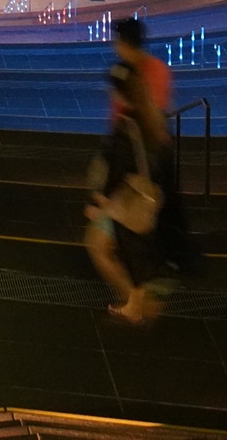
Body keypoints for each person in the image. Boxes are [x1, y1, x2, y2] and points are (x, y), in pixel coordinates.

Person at [85, 16, 180, 322]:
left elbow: (120, 165)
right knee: (128, 247)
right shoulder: (153, 95)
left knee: (99, 246)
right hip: (147, 189)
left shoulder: (128, 124)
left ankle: (138, 306)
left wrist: (101, 200)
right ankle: (138, 303)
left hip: (128, 196)